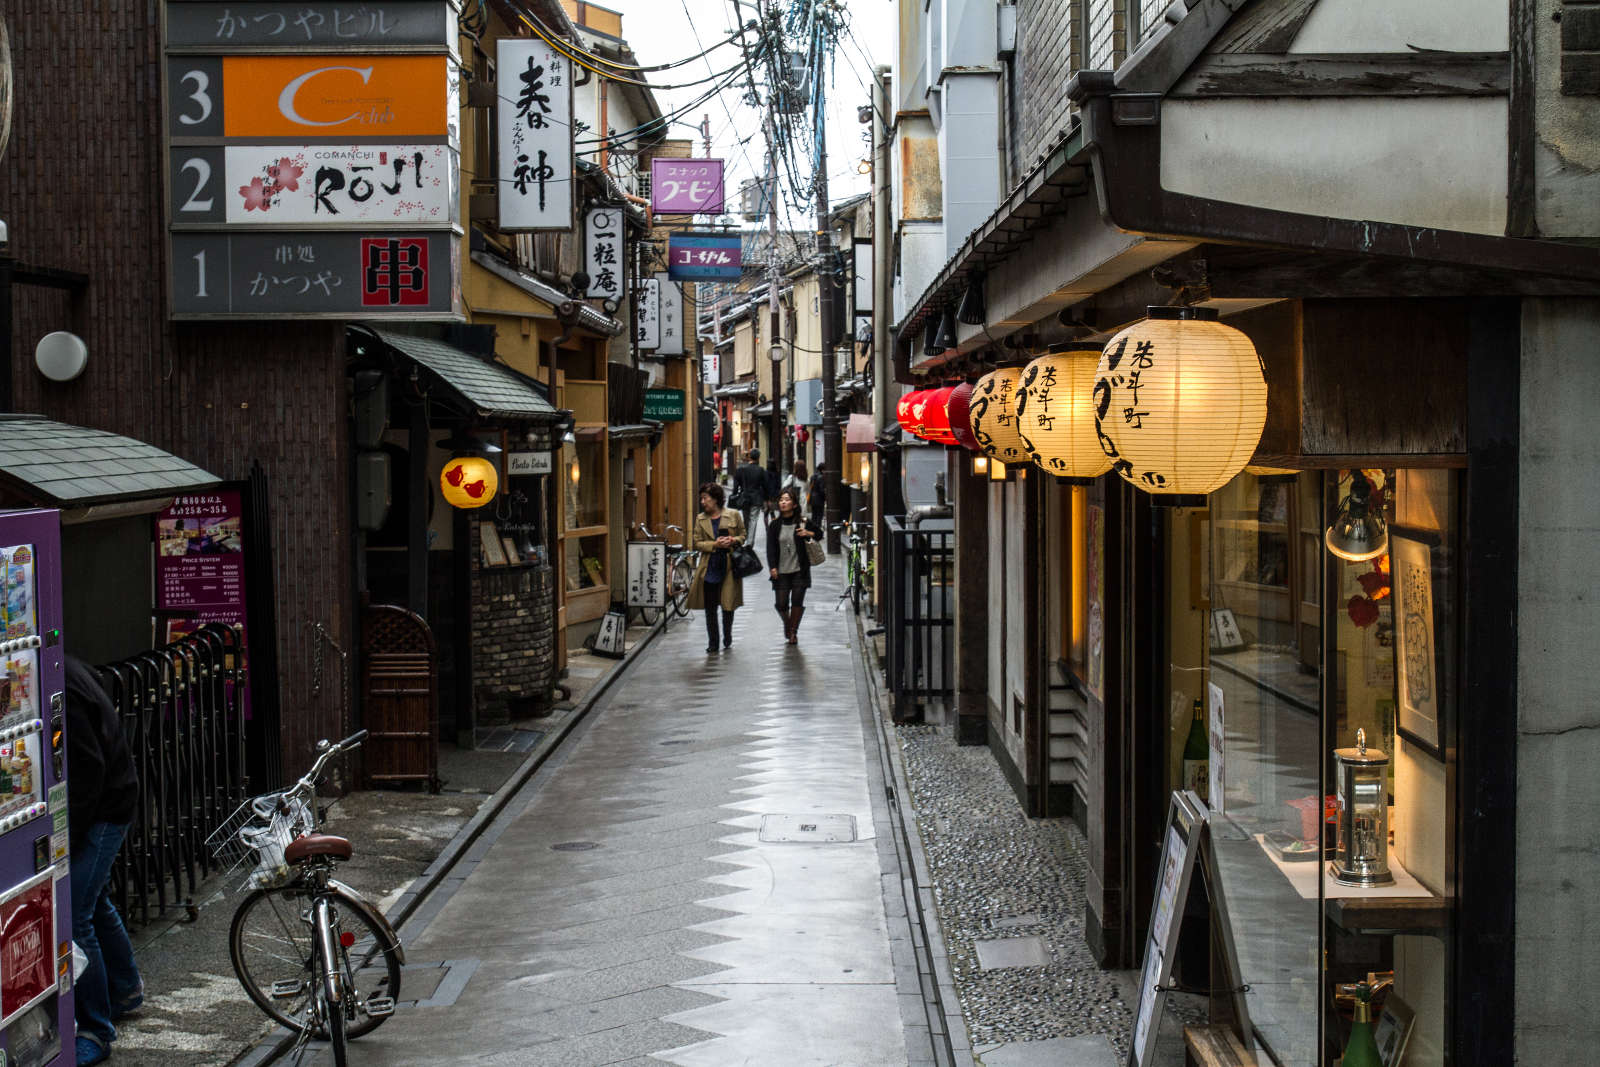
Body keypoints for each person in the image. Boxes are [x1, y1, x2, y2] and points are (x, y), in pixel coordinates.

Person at [65, 656, 144, 1067]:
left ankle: (96, 1029)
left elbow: (87, 767)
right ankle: (127, 987)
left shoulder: (58, 681)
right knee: (95, 903)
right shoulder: (68, 667)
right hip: (113, 800)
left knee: (75, 918)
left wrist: (70, 837)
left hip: (102, 811)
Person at [688, 482, 748, 652]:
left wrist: (733, 540)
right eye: (701, 499)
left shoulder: (733, 514)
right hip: (709, 566)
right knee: (710, 606)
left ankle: (727, 635)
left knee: (728, 605)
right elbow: (697, 543)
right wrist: (714, 544)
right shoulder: (700, 519)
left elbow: (743, 535)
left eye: (705, 498)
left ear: (715, 499)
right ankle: (713, 642)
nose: (703, 502)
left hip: (729, 565)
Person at [766, 487, 817, 645]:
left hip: (799, 569)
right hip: (781, 570)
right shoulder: (774, 525)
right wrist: (772, 567)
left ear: (794, 504)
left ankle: (793, 632)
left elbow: (819, 533)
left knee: (796, 601)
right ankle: (788, 625)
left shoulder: (802, 522)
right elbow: (771, 548)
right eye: (781, 500)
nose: (783, 503)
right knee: (781, 604)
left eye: (787, 500)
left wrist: (807, 533)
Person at [731, 450, 767, 545]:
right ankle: (750, 542)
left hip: (745, 498)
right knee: (753, 519)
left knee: (746, 518)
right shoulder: (761, 470)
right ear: (758, 458)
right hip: (756, 498)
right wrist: (766, 499)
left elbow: (736, 485)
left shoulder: (741, 469)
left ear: (749, 457)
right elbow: (765, 485)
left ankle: (745, 538)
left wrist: (734, 493)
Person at [807, 464, 827, 532]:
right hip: (819, 498)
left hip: (812, 498)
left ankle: (812, 529)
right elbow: (821, 490)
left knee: (814, 515)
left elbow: (810, 487)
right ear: (822, 470)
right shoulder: (821, 477)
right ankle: (817, 531)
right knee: (819, 515)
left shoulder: (813, 476)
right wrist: (825, 497)